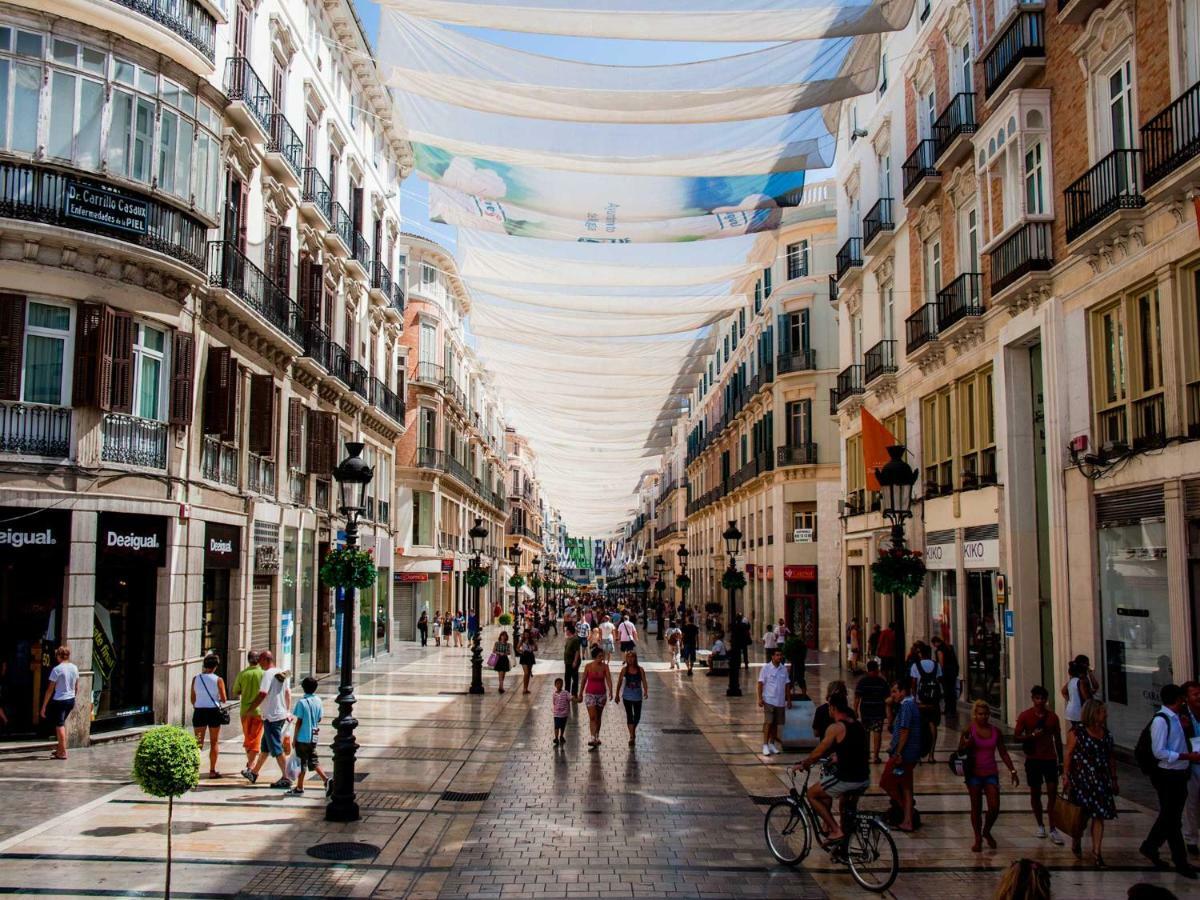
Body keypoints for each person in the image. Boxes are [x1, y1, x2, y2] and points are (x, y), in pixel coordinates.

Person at [795, 693, 870, 846]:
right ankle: (843, 847)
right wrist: (839, 756)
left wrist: (805, 763)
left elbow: (819, 751)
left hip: (847, 778)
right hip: (863, 778)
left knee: (812, 794)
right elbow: (857, 750)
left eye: (829, 706)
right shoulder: (858, 725)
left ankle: (835, 830)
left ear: (833, 708)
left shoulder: (836, 727)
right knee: (845, 811)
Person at [1142, 683, 1200, 877]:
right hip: (1168, 775)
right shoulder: (1161, 720)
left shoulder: (1177, 719)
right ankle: (1180, 862)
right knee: (1173, 820)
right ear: (1178, 699)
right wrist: (1186, 757)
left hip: (1179, 774)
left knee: (1170, 818)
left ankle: (1150, 846)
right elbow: (1159, 751)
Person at [959, 699, 1019, 852]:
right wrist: (967, 744)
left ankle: (987, 830)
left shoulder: (995, 732)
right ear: (975, 715)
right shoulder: (969, 730)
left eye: (986, 714)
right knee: (976, 807)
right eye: (980, 714)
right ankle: (978, 837)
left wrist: (1012, 770)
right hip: (974, 773)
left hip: (991, 772)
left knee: (994, 806)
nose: (983, 717)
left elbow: (1003, 752)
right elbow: (960, 751)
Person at [1063, 698, 1118, 866]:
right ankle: (1077, 839)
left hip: (1100, 779)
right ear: (1094, 713)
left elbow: (1110, 757)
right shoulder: (1077, 733)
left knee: (1099, 815)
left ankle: (1097, 852)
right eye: (1102, 711)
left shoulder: (1106, 734)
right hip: (1082, 780)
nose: (1105, 714)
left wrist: (1113, 778)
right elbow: (1069, 754)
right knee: (1082, 815)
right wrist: (1066, 776)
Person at [1014, 685, 1065, 844]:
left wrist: (1061, 761)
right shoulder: (1025, 716)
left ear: (1046, 699)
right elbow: (1017, 736)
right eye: (1037, 698)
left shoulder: (1053, 718)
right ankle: (1040, 825)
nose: (1040, 701)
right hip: (1033, 759)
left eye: (1042, 698)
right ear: (1033, 699)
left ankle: (1053, 827)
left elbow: (1057, 739)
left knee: (1052, 793)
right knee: (1035, 792)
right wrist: (1031, 735)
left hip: (1050, 758)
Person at [243, 651, 293, 788]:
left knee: (276, 748)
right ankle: (254, 772)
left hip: (272, 717)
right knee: (265, 747)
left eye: (260, 660)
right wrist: (287, 710)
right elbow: (288, 693)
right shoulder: (281, 672)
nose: (258, 663)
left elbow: (262, 693)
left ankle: (286, 777)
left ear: (266, 659)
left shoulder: (268, 674)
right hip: (279, 714)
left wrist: (251, 708)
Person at [881, 679, 920, 832]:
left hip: (903, 755)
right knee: (906, 787)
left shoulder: (907, 706)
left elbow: (904, 730)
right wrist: (889, 705)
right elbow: (892, 727)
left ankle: (907, 813)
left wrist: (898, 753)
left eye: (895, 691)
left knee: (886, 782)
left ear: (904, 692)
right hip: (909, 753)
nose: (893, 695)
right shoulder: (909, 705)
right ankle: (908, 820)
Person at [288, 676, 328, 796]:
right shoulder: (318, 700)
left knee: (302, 762)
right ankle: (326, 780)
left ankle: (300, 787)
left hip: (302, 737)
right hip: (313, 736)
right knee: (312, 760)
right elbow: (319, 718)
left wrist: (294, 739)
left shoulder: (301, 702)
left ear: (303, 688)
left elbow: (299, 722)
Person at [190, 653, 227, 778]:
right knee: (214, 742)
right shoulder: (218, 680)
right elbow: (224, 699)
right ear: (215, 666)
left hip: (199, 711)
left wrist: (200, 702)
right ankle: (212, 770)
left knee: (197, 743)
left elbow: (192, 698)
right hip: (213, 712)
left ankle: (194, 770)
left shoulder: (196, 678)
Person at [39, 646, 79, 761]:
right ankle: (60, 749)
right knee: (60, 724)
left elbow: (50, 690)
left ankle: (63, 752)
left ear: (59, 656)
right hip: (70, 699)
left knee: (59, 725)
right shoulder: (74, 668)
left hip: (60, 700)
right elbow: (76, 687)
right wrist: (73, 698)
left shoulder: (57, 669)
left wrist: (44, 706)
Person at [757, 647, 792, 756]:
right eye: (777, 655)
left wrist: (789, 699)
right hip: (769, 699)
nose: (779, 657)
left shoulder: (784, 669)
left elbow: (787, 685)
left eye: (780, 655)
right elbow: (760, 684)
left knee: (776, 723)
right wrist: (760, 698)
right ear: (772, 656)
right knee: (769, 722)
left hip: (780, 700)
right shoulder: (766, 668)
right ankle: (765, 745)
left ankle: (772, 743)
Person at [232, 650, 264, 769]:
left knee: (248, 737)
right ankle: (251, 765)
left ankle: (250, 762)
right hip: (259, 711)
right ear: (259, 660)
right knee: (256, 738)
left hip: (245, 711)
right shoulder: (263, 674)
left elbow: (236, 691)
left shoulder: (242, 674)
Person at [854, 660, 890, 763]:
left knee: (866, 733)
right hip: (878, 711)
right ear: (877, 669)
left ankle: (866, 755)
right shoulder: (882, 682)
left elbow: (857, 697)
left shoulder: (862, 681)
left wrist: (855, 710)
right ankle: (876, 756)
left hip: (865, 711)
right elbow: (887, 699)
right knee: (877, 732)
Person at [615, 650, 649, 746]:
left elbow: (644, 681)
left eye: (632, 657)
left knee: (637, 716)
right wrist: (617, 694)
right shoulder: (624, 670)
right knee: (630, 715)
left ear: (635, 658)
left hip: (638, 697)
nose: (630, 659)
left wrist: (646, 691)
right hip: (627, 697)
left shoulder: (640, 670)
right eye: (628, 657)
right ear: (626, 659)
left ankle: (632, 730)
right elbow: (619, 683)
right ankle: (631, 736)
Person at [582, 647, 613, 750]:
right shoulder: (588, 666)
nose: (602, 658)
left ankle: (597, 736)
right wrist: (580, 693)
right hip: (590, 694)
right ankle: (592, 737)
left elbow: (608, 679)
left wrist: (611, 691)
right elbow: (583, 680)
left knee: (598, 717)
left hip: (601, 695)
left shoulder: (605, 667)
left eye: (602, 656)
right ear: (595, 656)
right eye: (600, 656)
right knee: (592, 717)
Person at [1183, 681, 1200, 857]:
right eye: (1195, 694)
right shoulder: (1182, 716)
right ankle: (1191, 839)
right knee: (1192, 804)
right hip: (1192, 763)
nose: (1199, 697)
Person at [1062, 657, 1094, 730]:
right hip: (1078, 711)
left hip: (1070, 711)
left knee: (1075, 728)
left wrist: (1070, 700)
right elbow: (1085, 697)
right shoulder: (1080, 682)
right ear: (1080, 673)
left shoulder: (1071, 681)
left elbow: (1063, 692)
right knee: (1082, 729)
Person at [932, 635, 960, 718]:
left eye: (934, 644)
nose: (934, 646)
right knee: (952, 691)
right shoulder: (949, 647)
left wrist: (940, 674)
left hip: (946, 674)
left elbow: (941, 663)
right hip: (953, 672)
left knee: (947, 692)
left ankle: (948, 709)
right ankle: (953, 709)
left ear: (935, 643)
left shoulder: (939, 650)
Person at [563, 626, 582, 699]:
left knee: (574, 677)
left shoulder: (575, 639)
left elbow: (577, 651)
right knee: (567, 678)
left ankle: (574, 693)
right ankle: (567, 693)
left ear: (569, 631)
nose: (565, 632)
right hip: (568, 662)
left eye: (566, 630)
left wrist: (575, 661)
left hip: (572, 661)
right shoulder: (569, 639)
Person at [551, 677, 571, 746]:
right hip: (556, 714)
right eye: (557, 684)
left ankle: (561, 736)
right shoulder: (554, 694)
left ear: (562, 685)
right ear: (555, 685)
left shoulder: (566, 693)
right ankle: (556, 738)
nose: (559, 685)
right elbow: (554, 702)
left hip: (564, 714)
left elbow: (570, 698)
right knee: (556, 726)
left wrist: (576, 699)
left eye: (560, 684)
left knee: (562, 726)